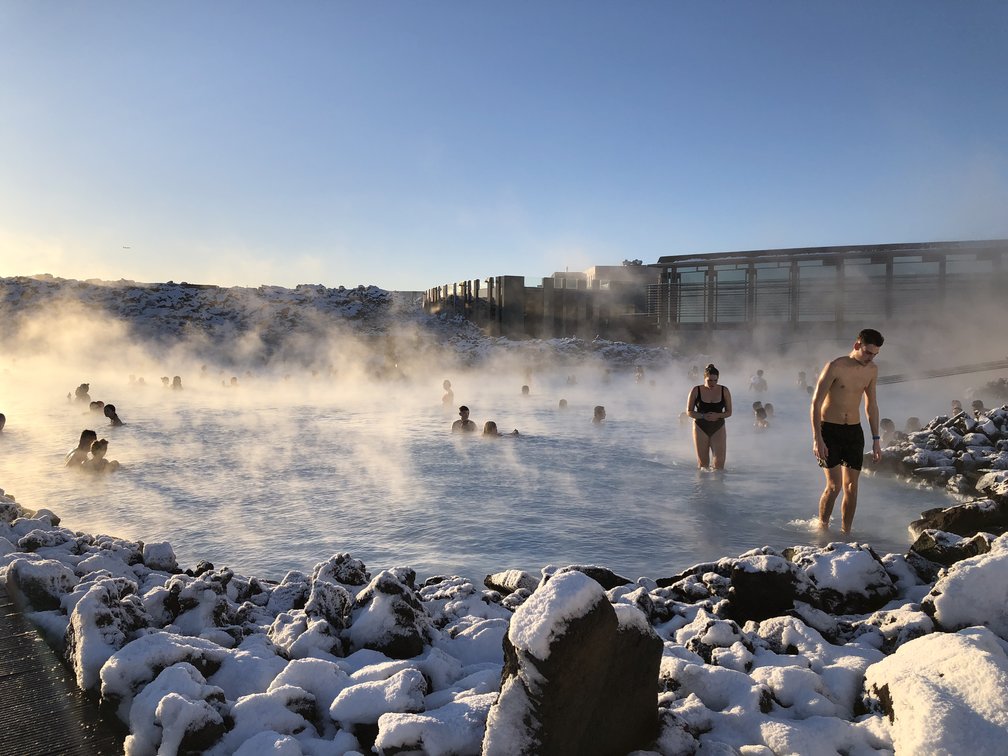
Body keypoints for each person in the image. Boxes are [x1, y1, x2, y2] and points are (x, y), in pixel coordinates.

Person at [811, 328, 884, 534]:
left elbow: (871, 405)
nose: (871, 358)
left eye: (875, 354)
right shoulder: (835, 366)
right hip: (829, 430)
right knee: (835, 487)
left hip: (853, 430)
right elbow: (815, 404)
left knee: (852, 488)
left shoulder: (872, 370)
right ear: (857, 345)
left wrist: (876, 439)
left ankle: (846, 533)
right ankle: (822, 529)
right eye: (868, 352)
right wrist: (817, 438)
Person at [686, 364, 733, 469]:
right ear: (704, 378)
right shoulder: (696, 390)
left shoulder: (724, 390)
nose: (713, 383)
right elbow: (689, 411)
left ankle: (719, 485)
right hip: (700, 426)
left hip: (718, 426)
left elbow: (729, 412)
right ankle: (702, 484)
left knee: (719, 465)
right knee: (703, 464)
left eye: (715, 380)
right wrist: (703, 416)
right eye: (709, 380)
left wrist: (718, 415)